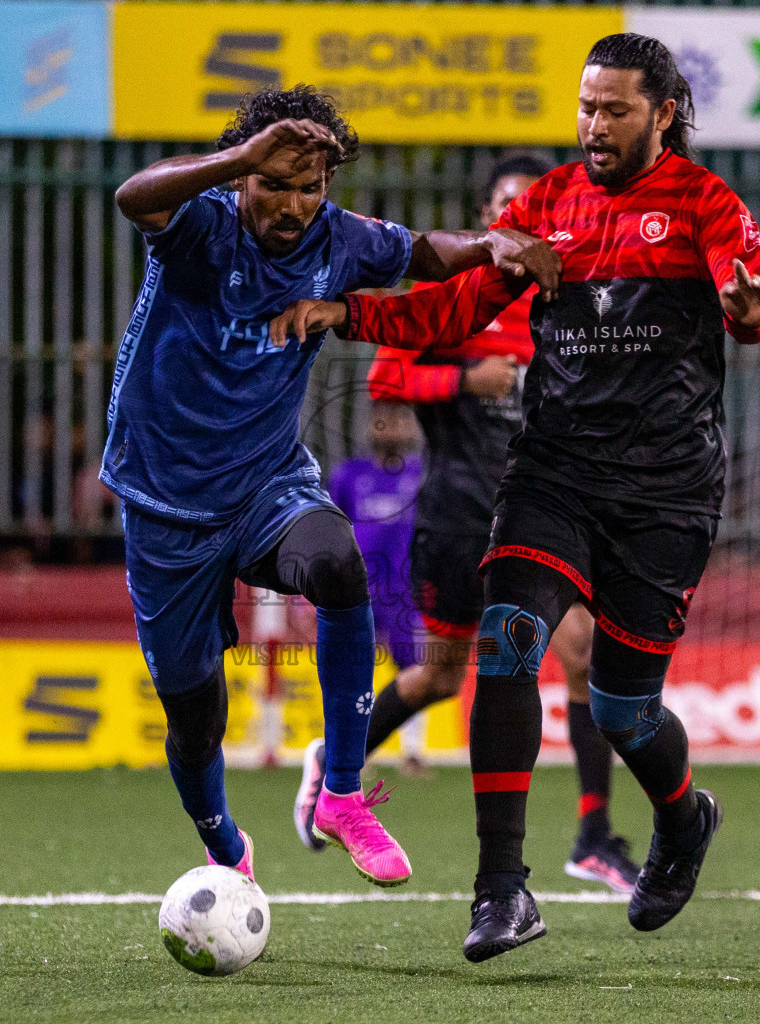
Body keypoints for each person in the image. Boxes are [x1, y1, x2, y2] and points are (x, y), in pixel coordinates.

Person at [271, 34, 760, 959]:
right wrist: (350, 311)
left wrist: (748, 310)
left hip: (665, 493)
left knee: (625, 710)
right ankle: (501, 890)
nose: (594, 125)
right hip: (554, 474)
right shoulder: (548, 204)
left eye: (615, 109)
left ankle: (682, 815)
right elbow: (450, 310)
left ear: (663, 113)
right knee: (506, 644)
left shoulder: (708, 204)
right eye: (586, 107)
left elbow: (751, 307)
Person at [103, 85, 559, 887]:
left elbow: (423, 253)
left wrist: (493, 244)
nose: (291, 204)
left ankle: (342, 795)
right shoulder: (203, 223)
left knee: (337, 563)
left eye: (309, 187)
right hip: (165, 503)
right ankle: (223, 847)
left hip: (267, 486)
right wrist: (242, 156)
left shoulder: (338, 239)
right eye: (274, 184)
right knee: (194, 716)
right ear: (243, 175)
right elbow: (133, 195)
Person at [298, 153, 639, 895]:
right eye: (505, 204)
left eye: (531, 204)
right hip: (458, 517)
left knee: (582, 652)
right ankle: (332, 767)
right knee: (440, 677)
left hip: (548, 512)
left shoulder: (571, 298)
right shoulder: (457, 293)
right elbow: (387, 382)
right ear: (491, 217)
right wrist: (465, 378)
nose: (517, 214)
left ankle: (592, 834)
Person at [325, 401, 424, 678]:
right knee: (352, 671)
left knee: (412, 670)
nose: (391, 423)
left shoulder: (423, 475)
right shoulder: (349, 475)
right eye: (382, 417)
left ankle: (410, 722)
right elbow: (330, 534)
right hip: (358, 590)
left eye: (400, 416)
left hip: (407, 593)